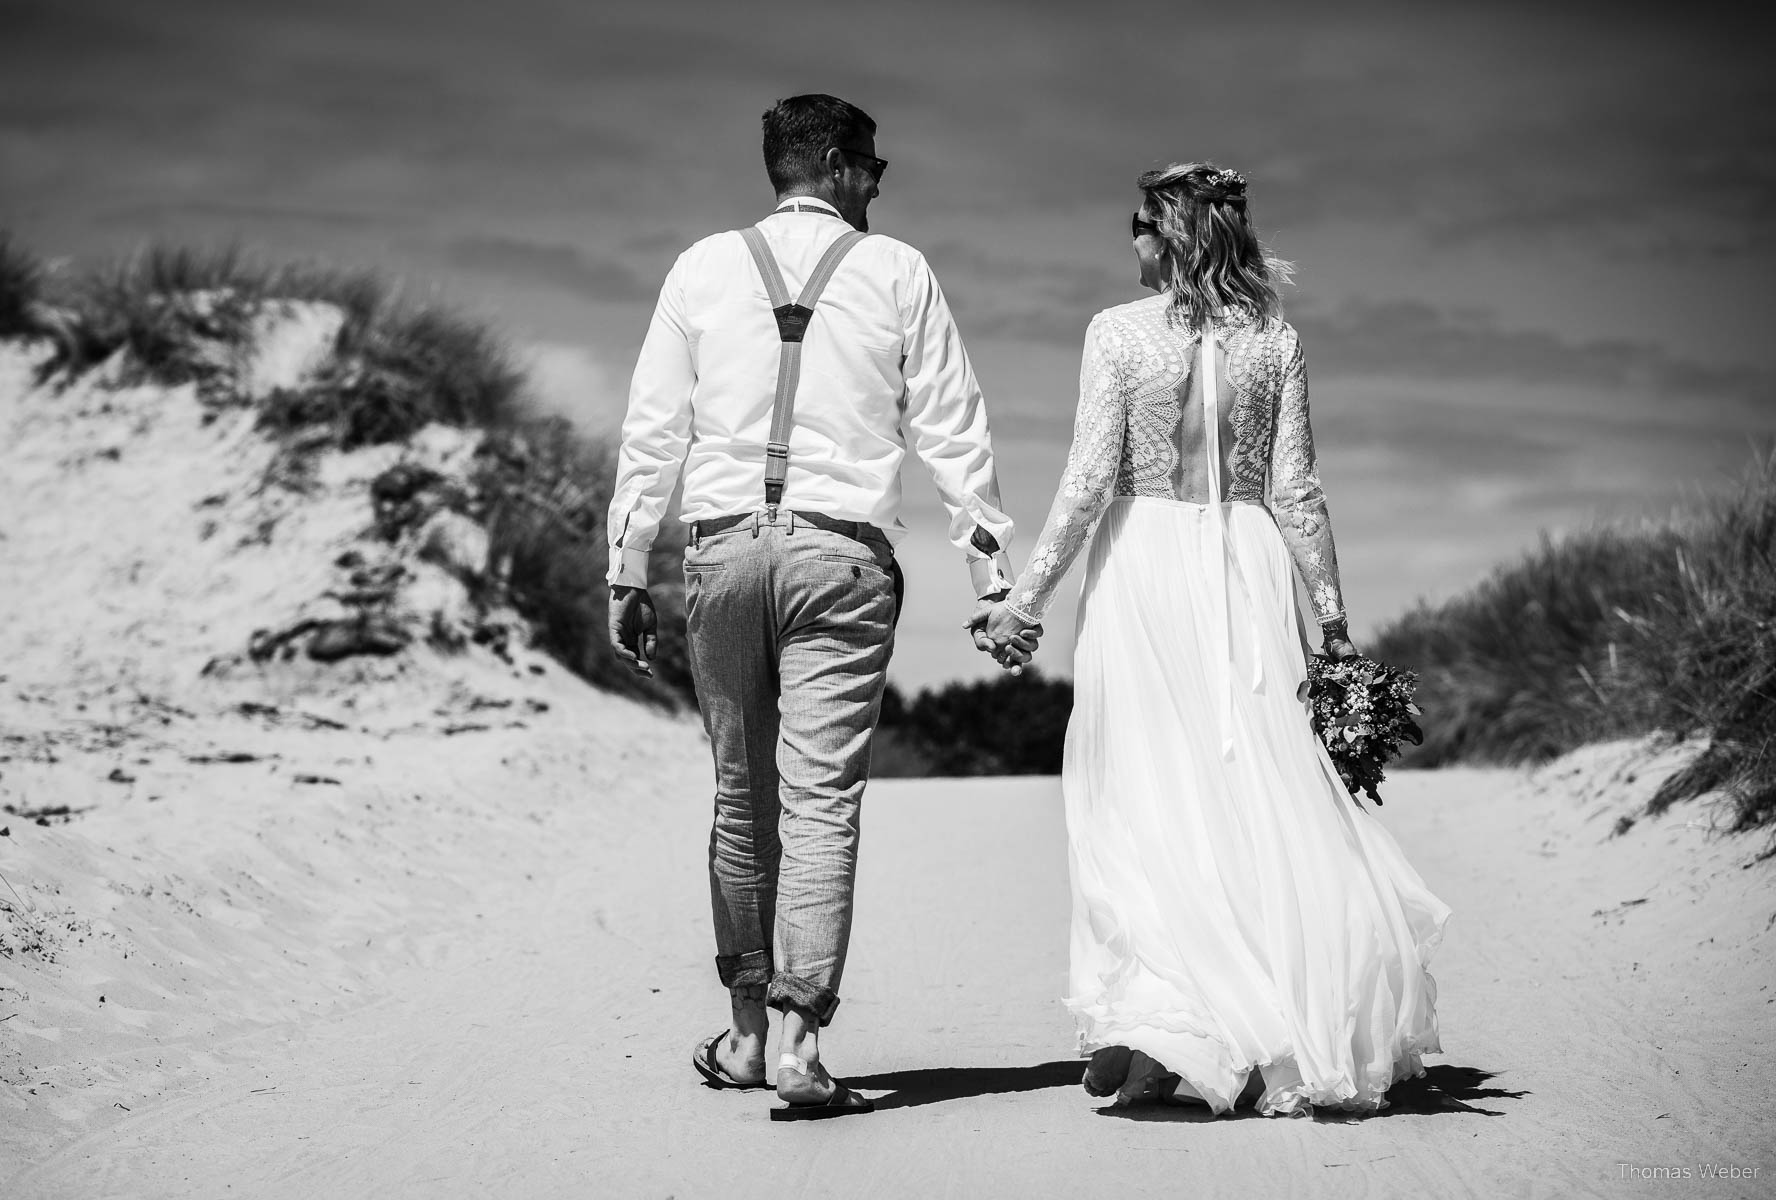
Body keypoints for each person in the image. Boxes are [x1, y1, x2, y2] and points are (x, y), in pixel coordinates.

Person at [968, 162, 1451, 1116]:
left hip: (1145, 569)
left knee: (1147, 794)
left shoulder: (1117, 333)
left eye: (1140, 224)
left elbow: (1089, 478)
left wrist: (1025, 600)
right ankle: (1233, 1021)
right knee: (1253, 788)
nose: (1132, 241)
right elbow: (1298, 494)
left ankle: (1168, 1028)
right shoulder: (1276, 341)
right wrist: (1336, 631)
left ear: (1171, 233)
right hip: (1247, 565)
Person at [605, 94, 1024, 1119]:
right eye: (874, 166)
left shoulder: (702, 266)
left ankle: (746, 1036)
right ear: (835, 165)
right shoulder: (897, 271)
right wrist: (994, 579)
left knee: (740, 800)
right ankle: (799, 1043)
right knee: (821, 803)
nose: (881, 185)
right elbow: (955, 432)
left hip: (720, 557)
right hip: (842, 564)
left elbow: (655, 429)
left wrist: (624, 564)